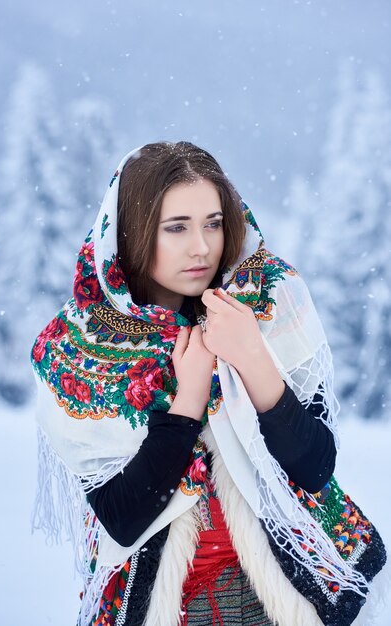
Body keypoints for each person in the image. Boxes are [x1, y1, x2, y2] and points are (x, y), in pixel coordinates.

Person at [31, 142, 386, 626]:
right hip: (173, 605)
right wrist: (187, 404)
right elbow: (122, 517)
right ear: (132, 233)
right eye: (176, 227)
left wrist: (253, 358)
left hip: (290, 594)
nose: (201, 246)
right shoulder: (81, 345)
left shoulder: (266, 299)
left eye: (213, 223)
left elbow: (315, 467)